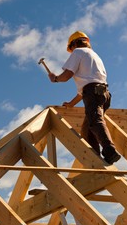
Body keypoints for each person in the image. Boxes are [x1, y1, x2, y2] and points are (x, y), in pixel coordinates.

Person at [48, 31, 121, 164]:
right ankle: (95, 159)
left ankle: (109, 149)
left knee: (95, 121)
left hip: (93, 93)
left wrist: (56, 78)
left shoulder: (78, 52)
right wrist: (71, 103)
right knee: (87, 129)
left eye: (71, 48)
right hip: (104, 94)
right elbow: (86, 89)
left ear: (74, 44)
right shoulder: (95, 56)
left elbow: (67, 75)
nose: (71, 51)